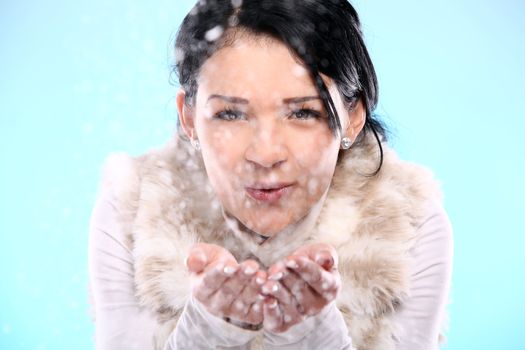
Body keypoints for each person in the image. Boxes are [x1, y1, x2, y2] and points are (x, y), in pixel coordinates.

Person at [87, 0, 453, 349]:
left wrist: (311, 337)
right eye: (230, 114)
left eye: (302, 113)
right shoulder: (132, 212)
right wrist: (208, 333)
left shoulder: (407, 225)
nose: (265, 154)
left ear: (353, 117)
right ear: (189, 118)